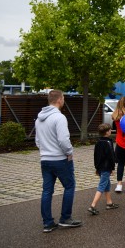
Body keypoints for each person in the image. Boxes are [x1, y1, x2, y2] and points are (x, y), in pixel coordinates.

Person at [35, 89, 82, 232]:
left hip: (45, 159)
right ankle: (65, 218)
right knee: (69, 186)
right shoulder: (59, 117)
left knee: (47, 191)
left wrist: (45, 151)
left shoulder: (39, 119)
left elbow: (37, 140)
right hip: (60, 159)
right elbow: (63, 139)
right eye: (63, 98)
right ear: (59, 100)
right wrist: (69, 152)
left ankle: (48, 222)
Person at [88, 123, 119, 215]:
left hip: (100, 167)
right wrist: (112, 168)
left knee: (107, 184)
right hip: (106, 167)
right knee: (102, 185)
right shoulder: (108, 142)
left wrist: (97, 167)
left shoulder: (98, 142)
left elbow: (95, 156)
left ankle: (109, 203)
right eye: (110, 130)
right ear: (107, 132)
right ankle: (92, 206)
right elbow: (111, 156)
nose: (111, 131)